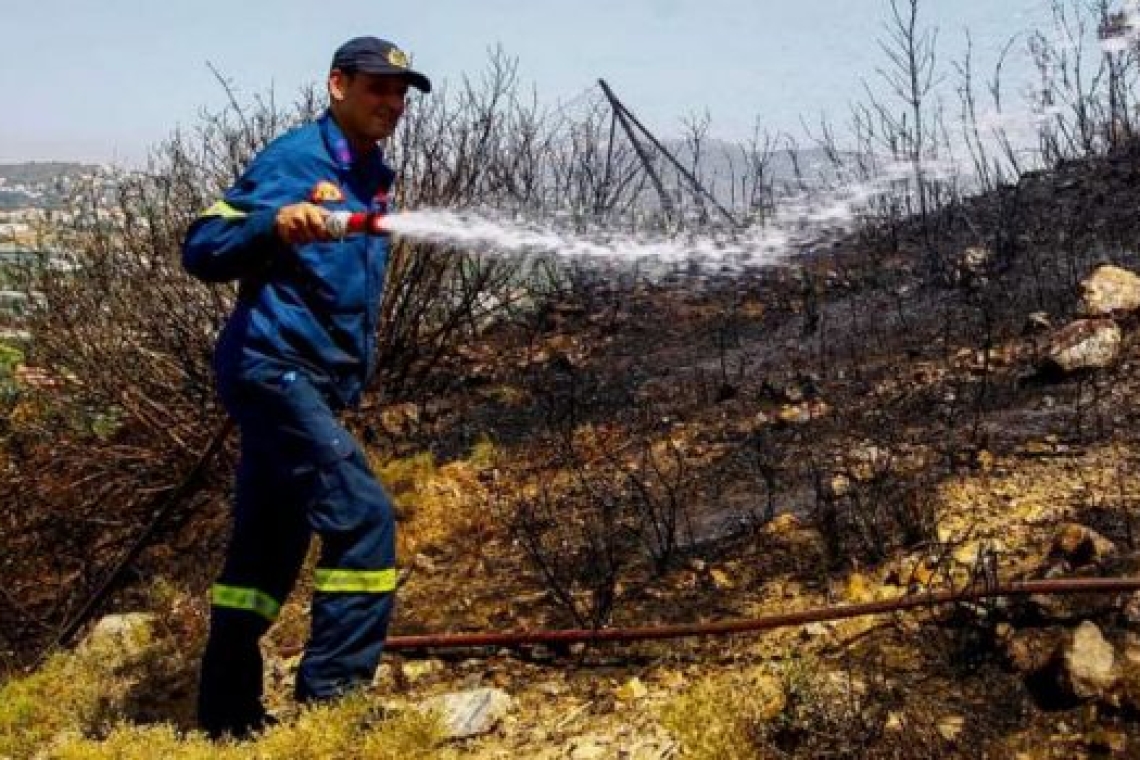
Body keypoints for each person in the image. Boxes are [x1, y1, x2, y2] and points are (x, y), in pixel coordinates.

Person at [181, 36, 431, 739]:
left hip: (312, 383)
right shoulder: (296, 159)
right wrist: (272, 224)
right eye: (378, 88)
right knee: (363, 518)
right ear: (337, 86)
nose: (392, 103)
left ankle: (226, 719)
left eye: (400, 93)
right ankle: (334, 710)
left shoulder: (373, 173)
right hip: (272, 370)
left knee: (267, 545)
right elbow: (201, 247)